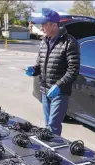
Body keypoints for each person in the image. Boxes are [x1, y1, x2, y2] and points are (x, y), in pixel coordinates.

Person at [25, 8, 80, 136]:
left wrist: (59, 85)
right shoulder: (44, 42)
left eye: (44, 24)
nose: (42, 27)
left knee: (53, 125)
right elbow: (40, 65)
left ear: (54, 25)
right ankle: (49, 150)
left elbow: (73, 69)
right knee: (47, 125)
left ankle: (54, 153)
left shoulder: (69, 42)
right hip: (45, 90)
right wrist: (33, 70)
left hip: (59, 92)